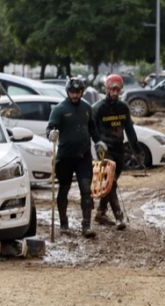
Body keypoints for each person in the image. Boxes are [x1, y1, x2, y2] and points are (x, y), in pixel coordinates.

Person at [47, 77, 103, 238]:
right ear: (68, 92)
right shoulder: (59, 109)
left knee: (86, 190)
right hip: (65, 157)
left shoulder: (87, 108)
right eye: (72, 92)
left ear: (82, 92)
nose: (75, 95)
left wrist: (98, 141)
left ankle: (86, 226)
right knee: (64, 188)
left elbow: (92, 128)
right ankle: (64, 224)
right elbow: (50, 127)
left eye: (78, 92)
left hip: (83, 156)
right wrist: (51, 134)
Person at [92, 73, 138, 231]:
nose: (115, 92)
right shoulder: (98, 108)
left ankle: (100, 212)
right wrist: (97, 142)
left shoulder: (123, 107)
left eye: (118, 90)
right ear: (106, 89)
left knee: (110, 182)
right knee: (111, 182)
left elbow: (130, 130)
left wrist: (136, 150)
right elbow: (91, 129)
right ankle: (119, 216)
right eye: (112, 89)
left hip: (119, 148)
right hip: (104, 149)